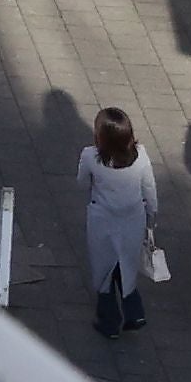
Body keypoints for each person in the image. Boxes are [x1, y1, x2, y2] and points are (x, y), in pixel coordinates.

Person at [76, 105, 158, 339]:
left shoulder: (90, 157)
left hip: (103, 221)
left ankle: (109, 322)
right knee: (126, 265)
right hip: (133, 220)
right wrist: (152, 217)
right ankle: (134, 312)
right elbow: (150, 190)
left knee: (104, 271)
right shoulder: (141, 156)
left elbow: (81, 183)